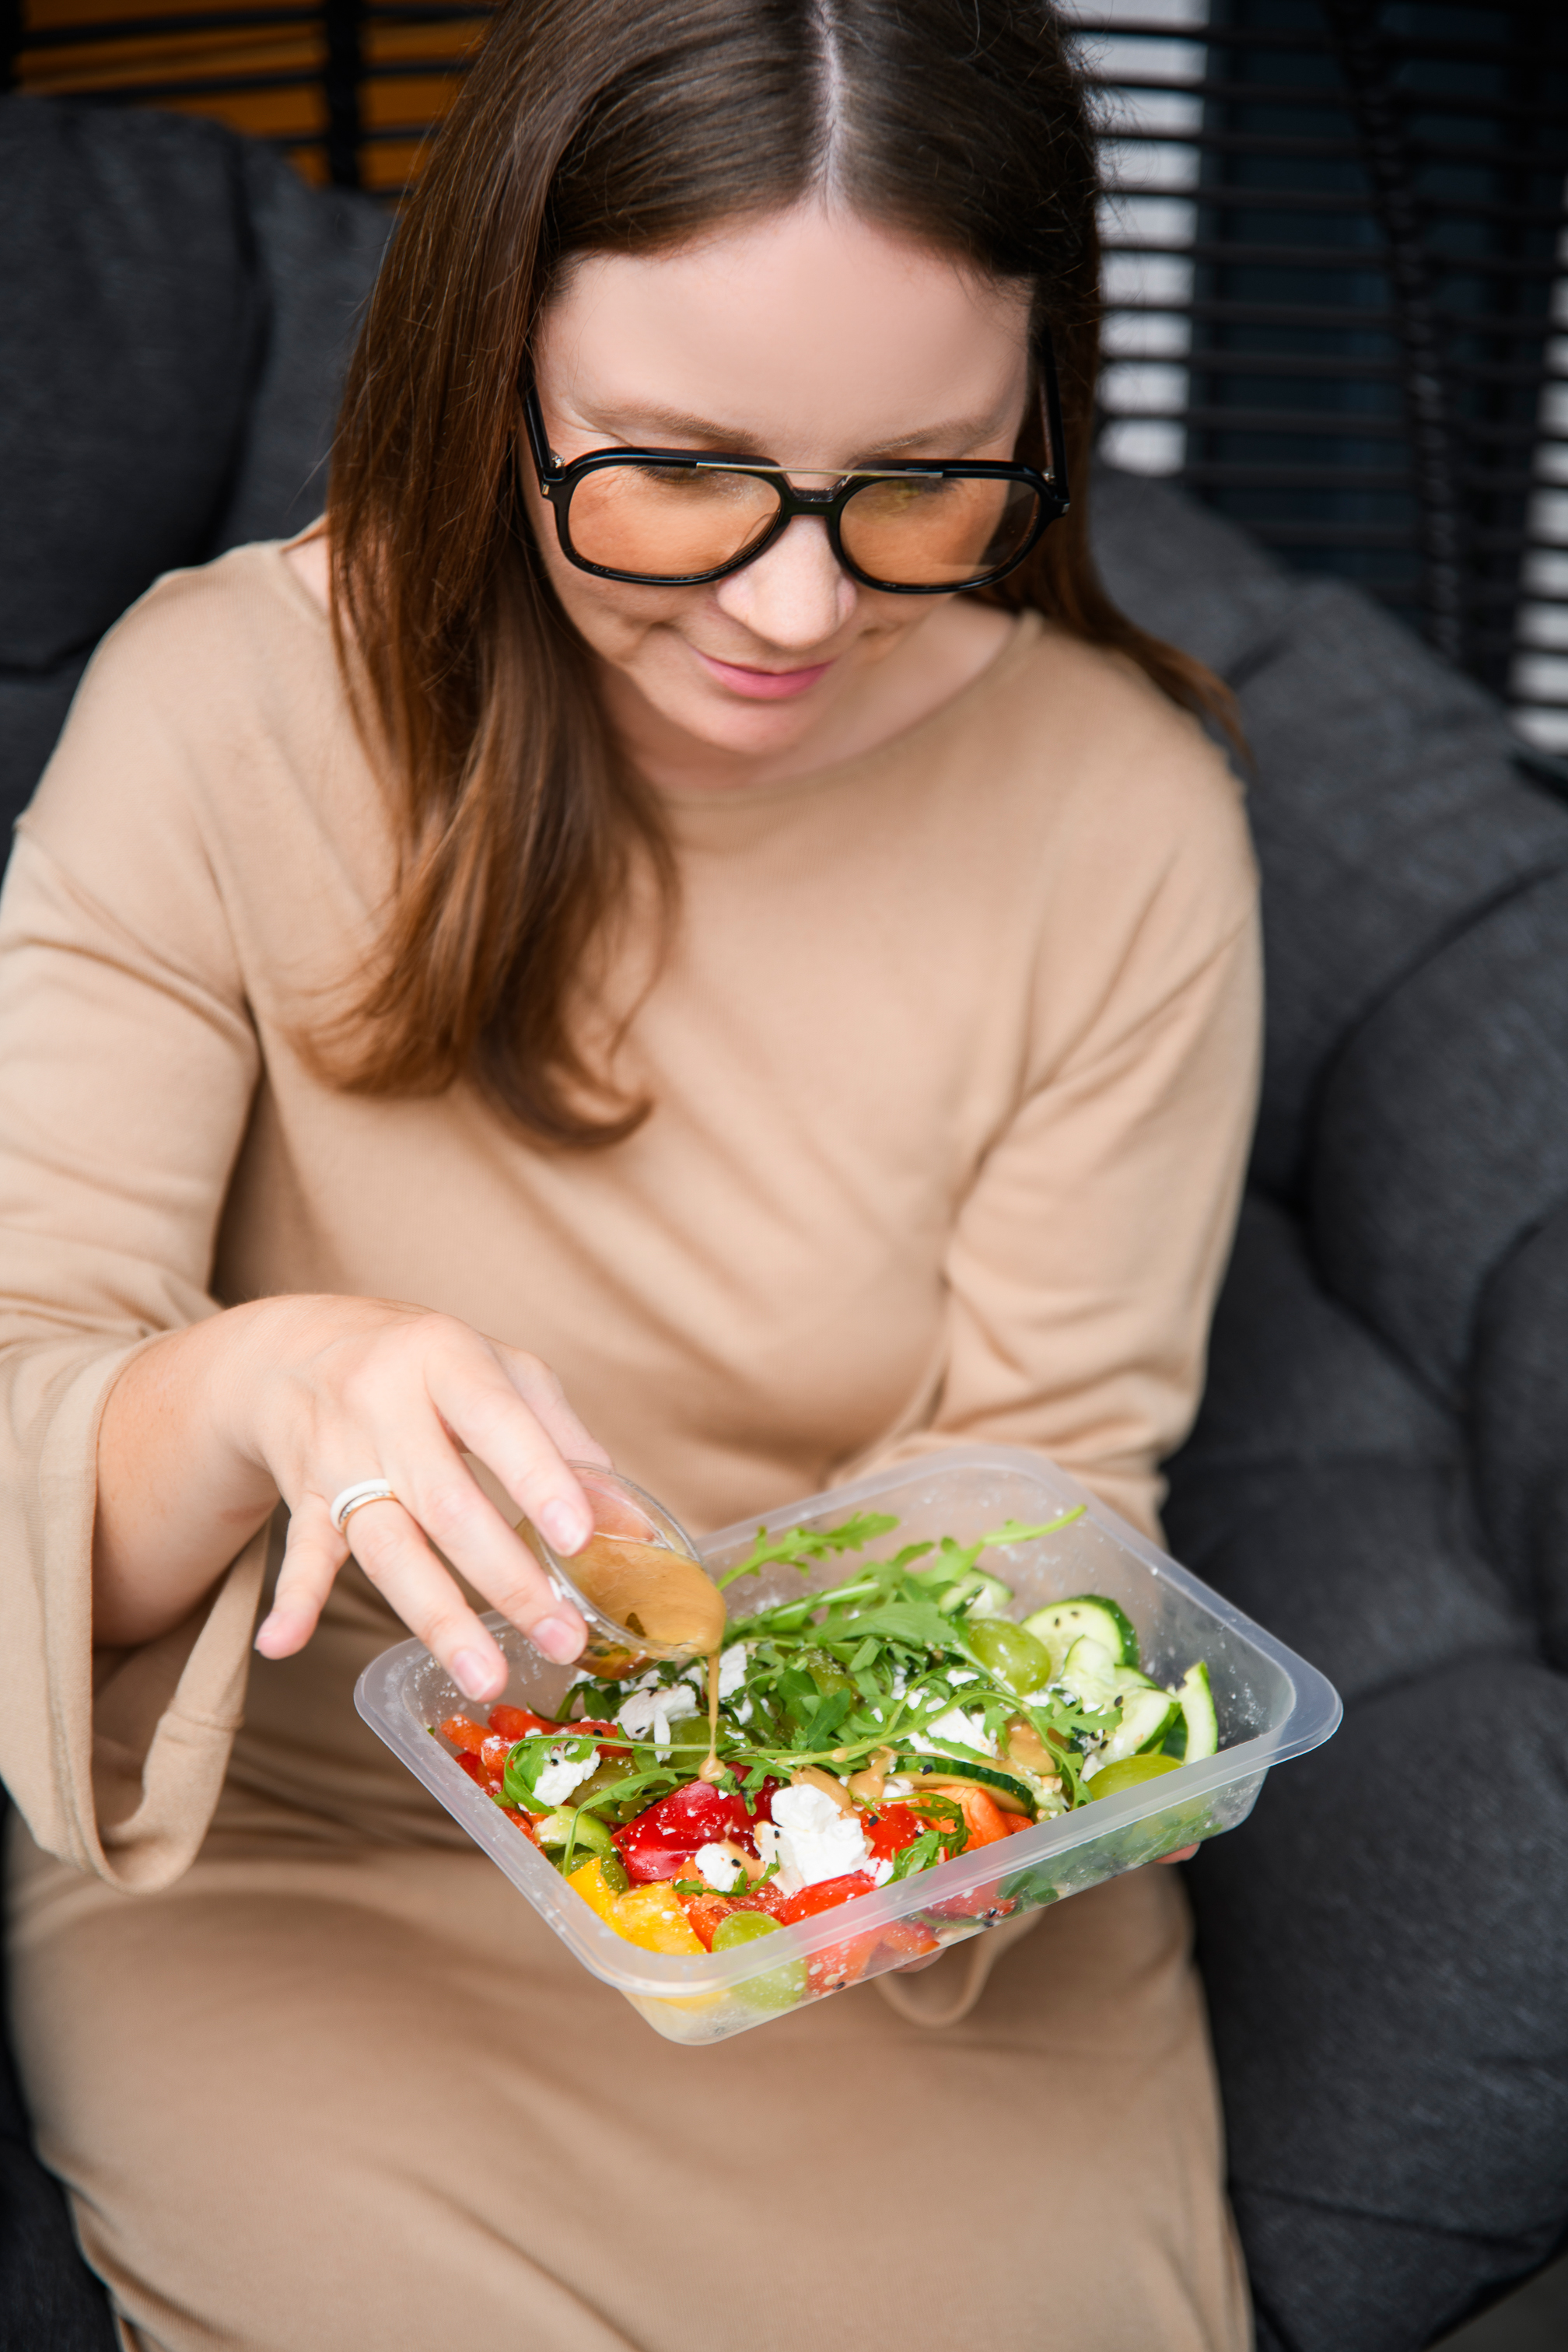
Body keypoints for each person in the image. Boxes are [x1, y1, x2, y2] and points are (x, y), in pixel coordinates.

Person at [0, 2, 1261, 2345]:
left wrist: (837, 1854)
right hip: (317, 1874)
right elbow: (23, 1419)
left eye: (922, 479)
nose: (794, 608)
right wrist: (277, 1385)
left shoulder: (1127, 814)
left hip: (896, 1915)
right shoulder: (221, 708)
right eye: (673, 473)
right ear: (500, 379)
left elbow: (1059, 1484)